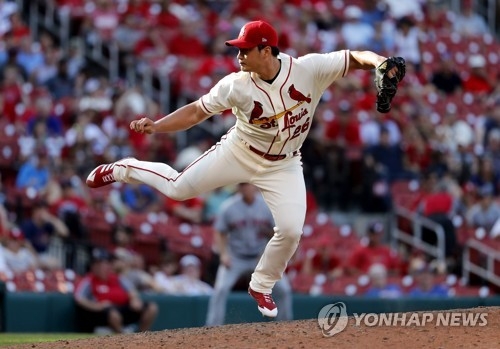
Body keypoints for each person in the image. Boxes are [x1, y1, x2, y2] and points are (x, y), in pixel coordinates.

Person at [86, 20, 403, 318]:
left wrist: (379, 62)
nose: (238, 55)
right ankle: (124, 169)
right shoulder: (236, 85)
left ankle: (261, 284)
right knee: (178, 189)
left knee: (291, 231)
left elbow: (354, 57)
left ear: (266, 51)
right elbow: (197, 111)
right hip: (239, 152)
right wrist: (157, 126)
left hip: (284, 164)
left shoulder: (308, 69)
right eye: (238, 48)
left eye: (245, 49)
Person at [205, 183, 293, 326]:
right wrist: (224, 254)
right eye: (242, 185)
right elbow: (219, 232)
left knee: (283, 289)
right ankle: (211, 327)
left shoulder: (267, 206)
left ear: (255, 187)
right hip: (236, 257)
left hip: (260, 256)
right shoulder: (228, 207)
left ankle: (285, 326)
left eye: (248, 185)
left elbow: (279, 233)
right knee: (220, 289)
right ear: (238, 188)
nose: (245, 188)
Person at [73, 247, 158, 333]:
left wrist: (134, 300)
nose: (101, 267)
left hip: (123, 308)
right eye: (98, 264)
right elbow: (79, 298)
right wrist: (96, 306)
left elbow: (131, 291)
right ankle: (121, 337)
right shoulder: (89, 280)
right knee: (113, 314)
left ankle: (141, 335)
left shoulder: (118, 278)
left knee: (151, 308)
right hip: (103, 313)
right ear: (93, 266)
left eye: (104, 264)